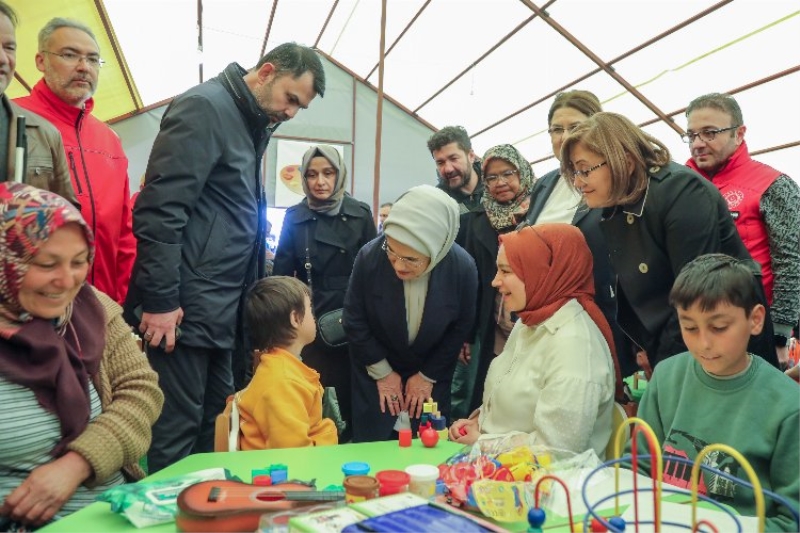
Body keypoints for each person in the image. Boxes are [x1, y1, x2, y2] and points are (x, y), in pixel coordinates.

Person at [125, 42, 325, 473]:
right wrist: (160, 300)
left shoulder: (250, 122)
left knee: (216, 426)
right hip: (184, 310)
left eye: (300, 108)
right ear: (267, 71)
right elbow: (161, 209)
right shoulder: (205, 108)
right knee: (177, 431)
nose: (292, 113)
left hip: (221, 309)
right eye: (291, 99)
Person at [561, 112, 778, 370]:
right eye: (575, 172)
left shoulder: (682, 192)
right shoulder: (616, 203)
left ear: (625, 162)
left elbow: (694, 295)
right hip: (674, 340)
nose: (578, 182)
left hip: (724, 342)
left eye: (585, 170)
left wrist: (665, 368)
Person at [0, 183, 163, 528]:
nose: (66, 280)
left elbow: (141, 393)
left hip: (112, 511)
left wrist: (76, 465)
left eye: (78, 262)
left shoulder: (92, 310)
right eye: (46, 264)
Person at [635, 254, 799, 532]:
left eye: (719, 327)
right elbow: (636, 471)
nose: (704, 343)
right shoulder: (665, 377)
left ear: (755, 320)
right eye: (689, 327)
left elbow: (790, 519)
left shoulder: (787, 406)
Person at [449, 224, 616, 459]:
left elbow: (558, 451)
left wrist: (483, 442)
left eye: (506, 271)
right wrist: (478, 423)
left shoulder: (574, 348)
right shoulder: (529, 322)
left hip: (550, 489)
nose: (495, 282)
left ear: (542, 273)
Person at [14, 18, 136, 305]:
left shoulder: (109, 139)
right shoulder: (12, 119)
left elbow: (124, 234)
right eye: (70, 55)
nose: (84, 67)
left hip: (97, 306)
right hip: (25, 309)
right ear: (41, 60)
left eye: (93, 59)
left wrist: (114, 303)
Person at [343, 185, 478, 442]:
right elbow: (354, 319)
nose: (398, 266)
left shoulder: (462, 268)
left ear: (437, 250)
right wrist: (382, 372)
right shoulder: (370, 257)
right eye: (392, 253)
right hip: (375, 368)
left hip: (431, 371)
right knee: (373, 450)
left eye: (411, 259)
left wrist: (428, 376)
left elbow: (460, 328)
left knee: (425, 451)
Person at [520, 90, 633, 378]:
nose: (564, 136)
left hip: (598, 313)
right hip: (545, 316)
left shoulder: (612, 180)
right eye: (557, 129)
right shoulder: (544, 185)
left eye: (575, 127)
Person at [684, 93, 800, 368]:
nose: (698, 143)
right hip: (693, 328)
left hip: (753, 330)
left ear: (739, 133)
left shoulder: (772, 185)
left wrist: (780, 334)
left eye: (710, 133)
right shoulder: (680, 187)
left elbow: (791, 262)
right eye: (691, 135)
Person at [273, 145, 375, 441]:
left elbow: (375, 270)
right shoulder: (295, 217)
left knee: (355, 391)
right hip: (311, 319)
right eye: (312, 174)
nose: (320, 181)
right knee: (316, 392)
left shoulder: (360, 213)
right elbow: (281, 275)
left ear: (339, 175)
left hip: (355, 316)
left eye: (328, 173)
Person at [453, 144, 534, 419]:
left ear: (522, 172)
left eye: (507, 174)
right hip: (493, 323)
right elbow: (468, 281)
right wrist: (466, 333)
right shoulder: (477, 221)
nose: (500, 183)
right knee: (491, 387)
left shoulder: (539, 214)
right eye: (491, 178)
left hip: (531, 319)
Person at [237, 276, 338, 450]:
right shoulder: (283, 382)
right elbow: (293, 454)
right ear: (295, 319)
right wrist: (327, 432)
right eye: (310, 309)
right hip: (282, 475)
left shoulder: (282, 369)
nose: (314, 316)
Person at [0, 2, 76, 206]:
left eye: (9, 47)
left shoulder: (45, 134)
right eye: (69, 55)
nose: (2, 59)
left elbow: (67, 210)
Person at [427, 126, 484, 214]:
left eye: (453, 159)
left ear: (471, 156)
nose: (448, 169)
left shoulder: (498, 182)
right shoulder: (437, 203)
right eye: (440, 162)